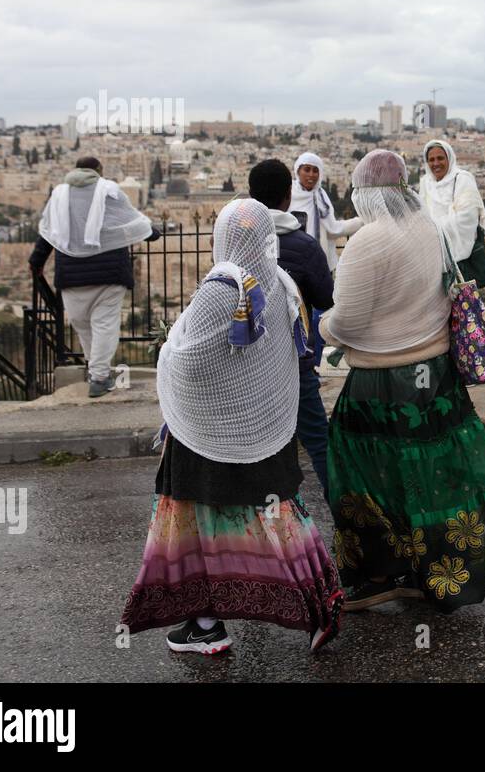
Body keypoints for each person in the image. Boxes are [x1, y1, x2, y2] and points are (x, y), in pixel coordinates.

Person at [119, 199, 342, 655]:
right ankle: (312, 603)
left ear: (223, 238)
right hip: (263, 422)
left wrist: (167, 350)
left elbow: (188, 358)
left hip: (208, 430)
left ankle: (206, 623)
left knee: (193, 522)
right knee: (278, 515)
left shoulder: (223, 287)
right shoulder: (280, 282)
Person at [322, 150, 485, 612]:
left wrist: (320, 327)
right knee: (434, 476)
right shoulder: (430, 229)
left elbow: (348, 322)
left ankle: (382, 573)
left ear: (366, 195)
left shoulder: (369, 242)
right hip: (436, 377)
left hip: (382, 382)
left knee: (367, 478)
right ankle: (438, 573)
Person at [29, 157, 159, 397]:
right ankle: (99, 377)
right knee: (104, 326)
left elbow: (49, 233)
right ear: (99, 171)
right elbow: (128, 220)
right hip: (109, 273)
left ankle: (96, 371)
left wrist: (36, 262)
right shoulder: (109, 191)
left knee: (82, 324)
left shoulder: (59, 194)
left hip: (72, 275)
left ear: (75, 170)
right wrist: (151, 233)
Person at [249, 159, 335, 499]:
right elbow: (326, 298)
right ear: (288, 196)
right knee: (318, 441)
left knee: (256, 445)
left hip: (249, 360)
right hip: (293, 362)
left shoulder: (236, 240)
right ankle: (348, 526)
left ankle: (260, 528)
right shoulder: (304, 246)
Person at [419, 139, 485, 284]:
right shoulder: (426, 183)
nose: (436, 163)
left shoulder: (463, 179)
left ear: (449, 158)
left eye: (440, 158)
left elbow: (466, 219)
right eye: (431, 159)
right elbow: (421, 215)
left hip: (460, 261)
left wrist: (433, 230)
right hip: (432, 260)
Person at [290, 151, 361, 270]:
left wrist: (360, 222)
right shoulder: (289, 193)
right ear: (298, 171)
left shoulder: (321, 196)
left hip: (319, 261)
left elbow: (332, 229)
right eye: (307, 170)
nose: (311, 175)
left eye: (315, 170)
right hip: (294, 260)